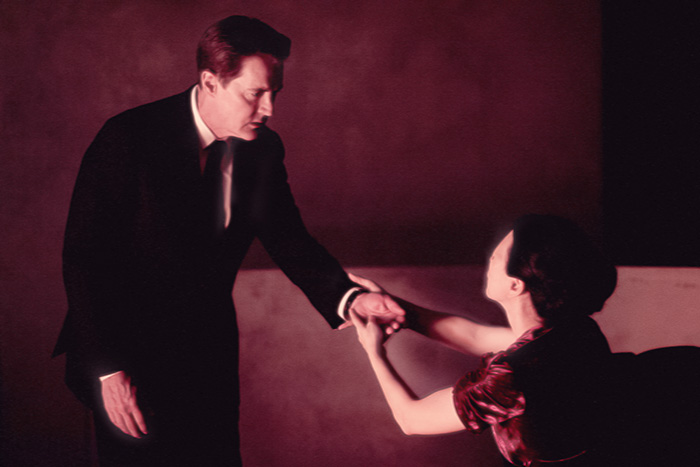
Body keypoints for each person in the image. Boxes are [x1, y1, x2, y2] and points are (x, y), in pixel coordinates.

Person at [52, 16, 402, 467]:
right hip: (127, 356)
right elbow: (85, 259)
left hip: (208, 353)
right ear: (210, 82)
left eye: (275, 92)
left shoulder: (263, 149)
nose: (269, 108)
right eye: (255, 93)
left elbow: (290, 240)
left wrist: (350, 298)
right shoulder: (127, 138)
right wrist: (109, 370)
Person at [350, 215, 619, 466]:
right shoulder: (575, 332)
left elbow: (411, 419)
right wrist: (395, 307)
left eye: (495, 257)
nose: (488, 260)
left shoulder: (512, 377)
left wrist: (373, 351)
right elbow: (474, 336)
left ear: (515, 285)